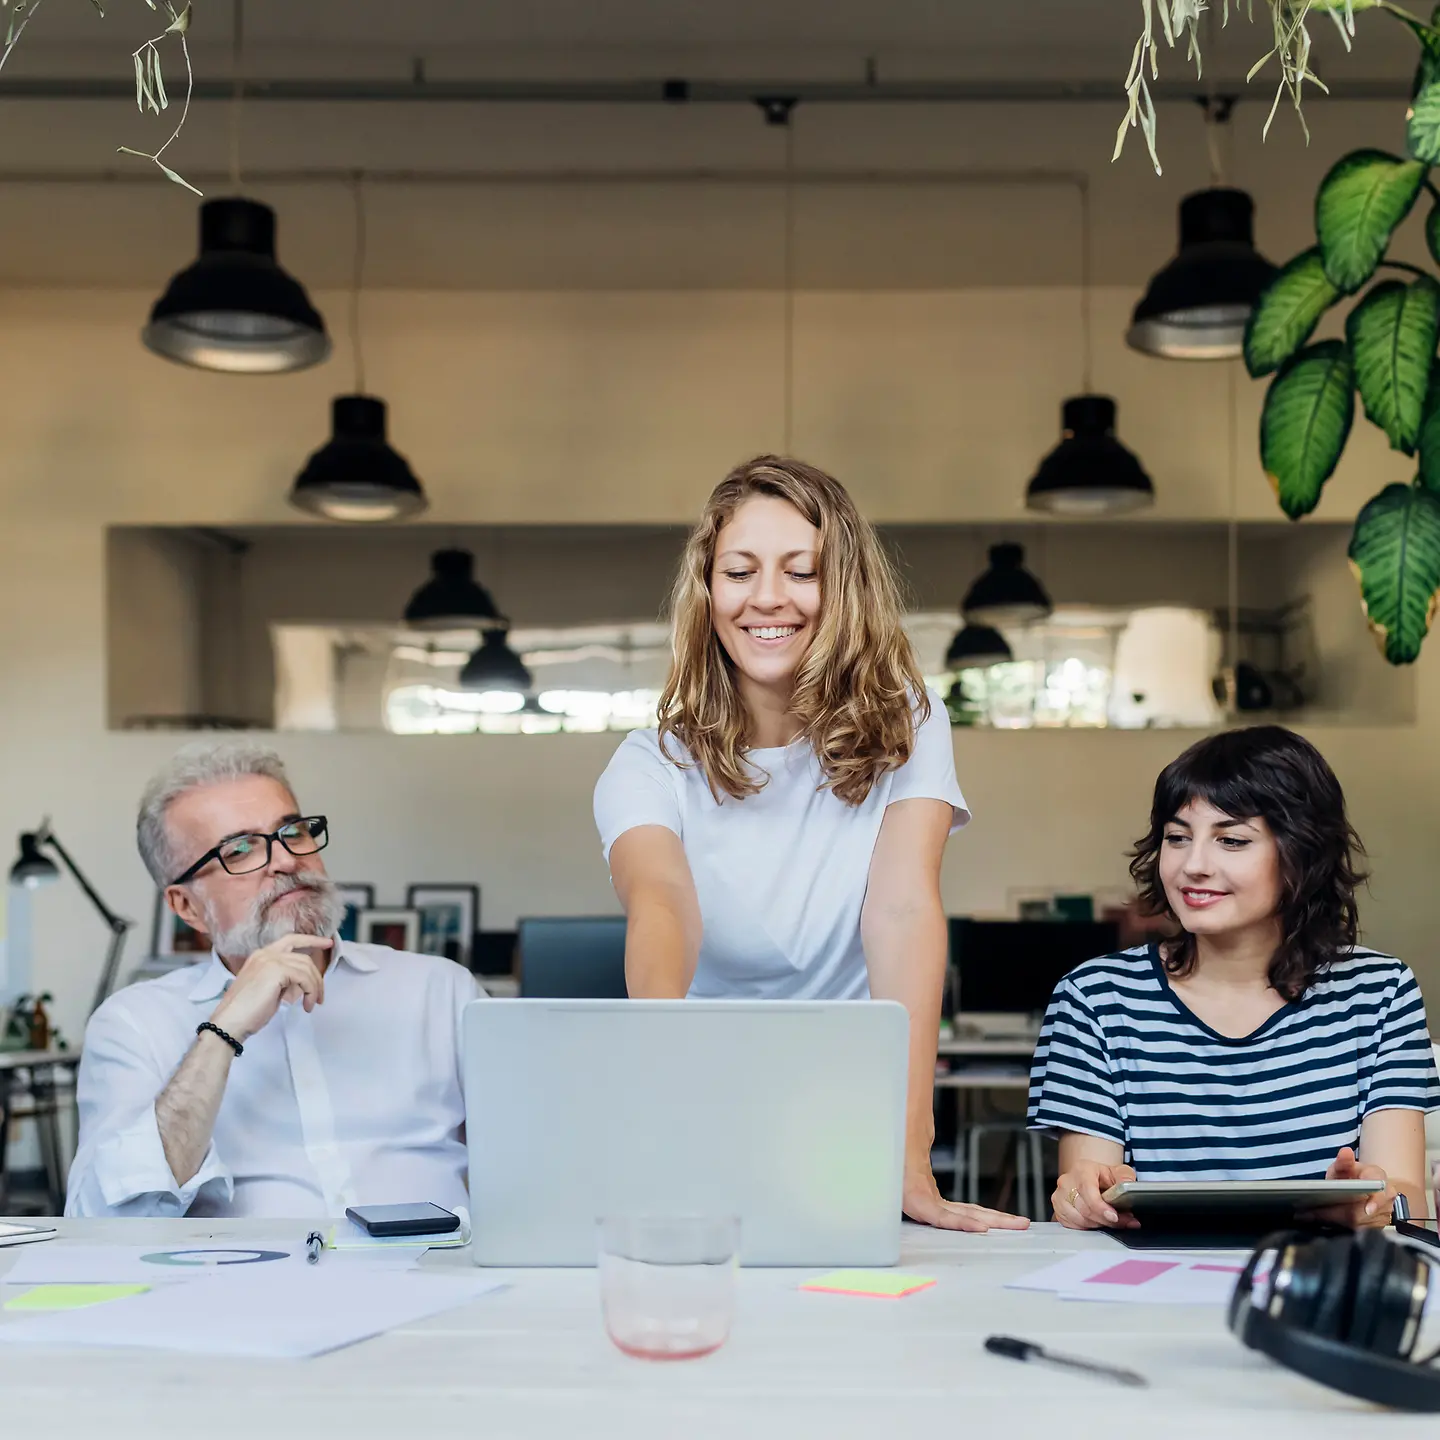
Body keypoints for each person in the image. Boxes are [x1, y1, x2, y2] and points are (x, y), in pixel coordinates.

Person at [593, 454, 1027, 1233]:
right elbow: (663, 904)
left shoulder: (912, 725)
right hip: (701, 1094)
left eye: (802, 571)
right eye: (740, 571)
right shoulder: (648, 764)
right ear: (708, 590)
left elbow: (901, 913)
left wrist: (910, 1151)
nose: (768, 599)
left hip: (845, 1103)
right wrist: (655, 1086)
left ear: (844, 588)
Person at [1028, 725, 1439, 1230]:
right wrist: (1081, 1196)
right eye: (1177, 838)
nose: (1193, 865)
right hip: (1148, 1287)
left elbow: (1408, 1199)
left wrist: (1372, 1204)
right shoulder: (1094, 997)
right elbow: (1087, 1183)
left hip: (1317, 1283)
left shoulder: (1380, 991)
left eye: (1232, 840)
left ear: (1301, 853)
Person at [66, 741, 480, 1218]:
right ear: (186, 907)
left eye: (292, 831)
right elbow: (105, 1221)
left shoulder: (442, 992)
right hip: (240, 1288)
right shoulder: (134, 1025)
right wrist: (221, 1033)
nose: (285, 860)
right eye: (239, 850)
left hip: (437, 1280)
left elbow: (544, 1161)